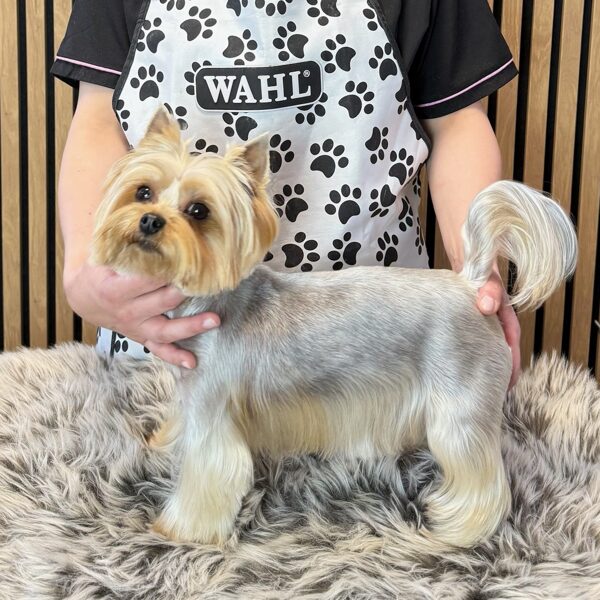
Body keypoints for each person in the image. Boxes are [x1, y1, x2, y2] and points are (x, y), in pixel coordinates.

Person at [51, 0, 521, 387]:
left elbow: (456, 121)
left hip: (381, 348)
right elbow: (100, 119)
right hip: (163, 345)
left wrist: (476, 267)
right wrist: (84, 270)